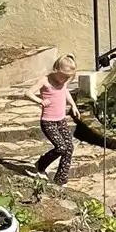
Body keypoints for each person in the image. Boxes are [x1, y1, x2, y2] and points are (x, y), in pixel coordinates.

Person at [35, 54, 78, 185]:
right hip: (48, 122)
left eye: (68, 77)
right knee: (60, 147)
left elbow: (65, 92)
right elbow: (28, 93)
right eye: (64, 76)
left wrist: (73, 105)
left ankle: (60, 179)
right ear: (56, 70)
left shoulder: (62, 83)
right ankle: (41, 164)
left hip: (61, 120)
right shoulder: (45, 81)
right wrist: (40, 100)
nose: (65, 80)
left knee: (69, 147)